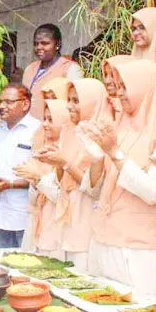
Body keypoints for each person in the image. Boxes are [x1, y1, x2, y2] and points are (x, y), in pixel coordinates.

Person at [84, 59, 156, 299]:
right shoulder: (122, 122)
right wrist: (95, 162)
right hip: (105, 240)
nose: (119, 92)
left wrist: (114, 153)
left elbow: (153, 191)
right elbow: (95, 191)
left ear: (146, 85)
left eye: (125, 85)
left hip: (145, 251)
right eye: (118, 85)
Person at [37, 79, 112, 271]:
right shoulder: (68, 130)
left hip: (87, 214)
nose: (69, 105)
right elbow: (62, 181)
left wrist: (64, 163)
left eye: (76, 100)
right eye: (68, 99)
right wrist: (57, 163)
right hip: (66, 214)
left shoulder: (101, 133)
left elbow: (94, 189)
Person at [0, 85, 41, 248]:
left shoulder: (38, 131)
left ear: (25, 104)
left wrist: (11, 184)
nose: (2, 107)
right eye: (0, 102)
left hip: (26, 215)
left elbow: (44, 175)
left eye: (9, 102)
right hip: (0, 215)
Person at [13, 99, 71, 258]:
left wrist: (38, 178)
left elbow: (63, 198)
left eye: (51, 120)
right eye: (44, 119)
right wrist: (33, 181)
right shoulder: (41, 151)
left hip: (59, 228)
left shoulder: (69, 155)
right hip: (37, 224)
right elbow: (32, 201)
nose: (44, 124)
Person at [21, 24, 83, 119]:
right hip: (28, 128)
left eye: (45, 43)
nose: (39, 47)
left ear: (57, 44)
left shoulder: (70, 69)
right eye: (36, 43)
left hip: (54, 128)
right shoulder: (30, 68)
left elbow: (75, 104)